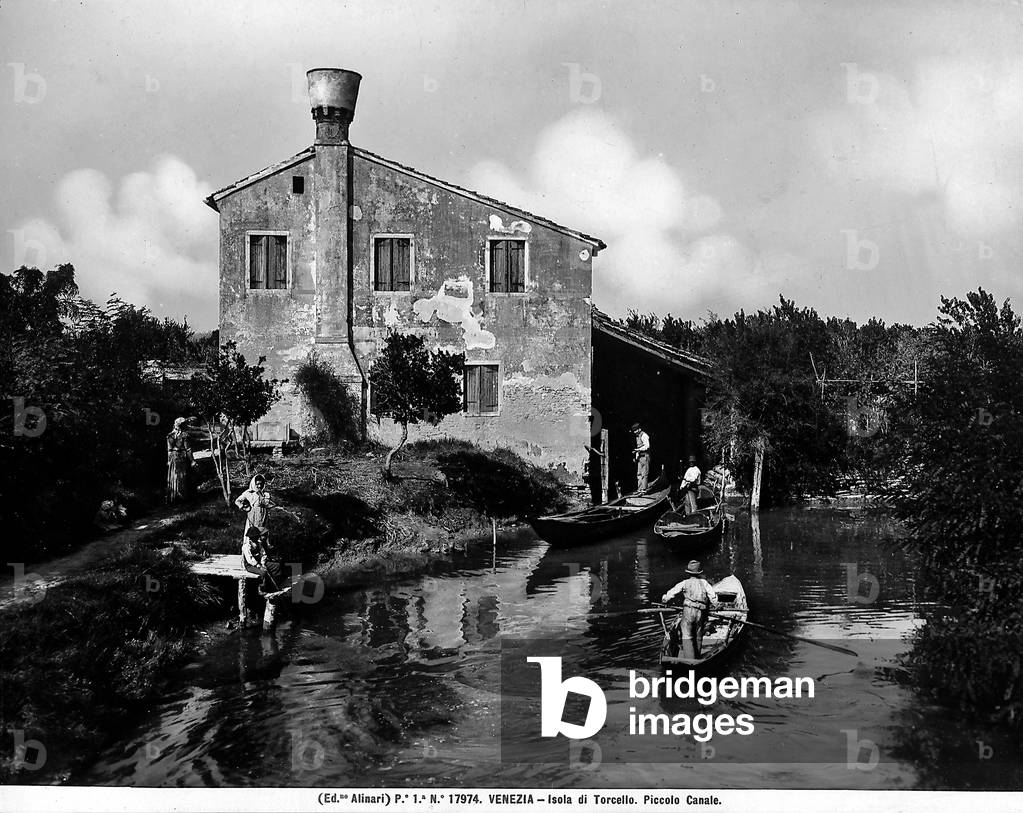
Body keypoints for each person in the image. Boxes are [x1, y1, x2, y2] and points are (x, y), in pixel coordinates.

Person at [662, 560, 718, 660]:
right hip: (700, 612)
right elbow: (713, 597)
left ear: (688, 572)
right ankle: (696, 658)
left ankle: (689, 661)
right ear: (699, 573)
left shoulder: (685, 583)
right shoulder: (704, 583)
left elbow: (672, 592)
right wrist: (716, 604)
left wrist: (665, 599)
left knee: (687, 634)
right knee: (698, 634)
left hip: (688, 611)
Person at [241, 525, 284, 596]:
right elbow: (250, 560)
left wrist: (263, 564)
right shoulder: (246, 547)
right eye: (254, 537)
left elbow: (263, 554)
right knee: (263, 572)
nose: (256, 538)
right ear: (250, 538)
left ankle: (275, 585)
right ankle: (261, 589)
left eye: (257, 536)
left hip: (261, 563)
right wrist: (259, 566)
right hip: (250, 566)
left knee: (277, 566)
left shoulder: (259, 544)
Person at [236, 474, 274, 541]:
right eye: (257, 484)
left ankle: (263, 550)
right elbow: (237, 501)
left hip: (262, 515)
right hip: (252, 515)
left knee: (263, 536)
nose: (259, 486)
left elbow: (266, 503)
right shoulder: (248, 493)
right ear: (253, 483)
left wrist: (260, 494)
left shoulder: (265, 494)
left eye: (261, 484)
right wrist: (245, 507)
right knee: (252, 535)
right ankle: (252, 549)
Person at [166, 417, 196, 503]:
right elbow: (188, 449)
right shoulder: (184, 435)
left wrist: (169, 461)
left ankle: (174, 498)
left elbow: (169, 450)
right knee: (183, 476)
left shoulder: (170, 435)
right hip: (182, 457)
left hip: (173, 457)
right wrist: (192, 461)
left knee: (174, 476)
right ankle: (184, 498)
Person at [631, 422, 651, 492]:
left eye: (636, 430)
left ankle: (644, 489)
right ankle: (639, 489)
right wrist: (637, 455)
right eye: (634, 431)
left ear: (639, 429)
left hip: (645, 456)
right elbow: (638, 447)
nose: (635, 432)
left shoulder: (644, 435)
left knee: (644, 473)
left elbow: (647, 446)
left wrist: (638, 450)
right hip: (640, 457)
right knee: (639, 474)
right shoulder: (637, 436)